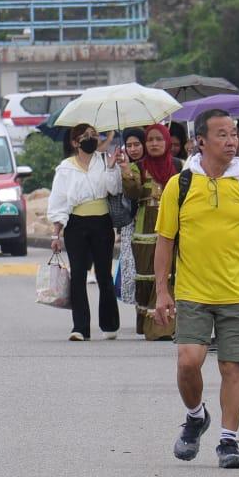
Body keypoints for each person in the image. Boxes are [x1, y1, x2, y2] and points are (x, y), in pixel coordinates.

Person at [154, 109, 239, 470]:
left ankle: (228, 442)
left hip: (238, 294)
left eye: (235, 134)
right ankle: (196, 416)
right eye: (222, 134)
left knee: (231, 368)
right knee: (188, 361)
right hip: (193, 293)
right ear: (201, 141)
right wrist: (162, 292)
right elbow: (165, 242)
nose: (231, 141)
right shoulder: (180, 186)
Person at [47, 123, 122, 342]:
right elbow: (59, 201)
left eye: (93, 135)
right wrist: (55, 233)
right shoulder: (65, 168)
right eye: (85, 136)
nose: (91, 139)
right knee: (78, 274)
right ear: (74, 142)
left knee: (103, 274)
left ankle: (109, 323)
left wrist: (111, 167)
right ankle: (80, 327)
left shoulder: (104, 161)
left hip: (102, 223)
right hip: (76, 225)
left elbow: (114, 189)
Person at [128, 124, 180, 339]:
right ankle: (148, 324)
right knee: (149, 276)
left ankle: (168, 327)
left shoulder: (179, 166)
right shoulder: (138, 167)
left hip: (175, 228)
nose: (154, 144)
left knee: (172, 275)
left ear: (167, 141)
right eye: (150, 140)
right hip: (146, 230)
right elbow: (132, 195)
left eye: (159, 139)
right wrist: (126, 175)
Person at [114, 130, 147, 324]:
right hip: (130, 224)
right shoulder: (123, 166)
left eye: (137, 144)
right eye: (130, 145)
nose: (133, 149)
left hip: (150, 223)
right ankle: (140, 315)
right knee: (134, 268)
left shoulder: (151, 167)